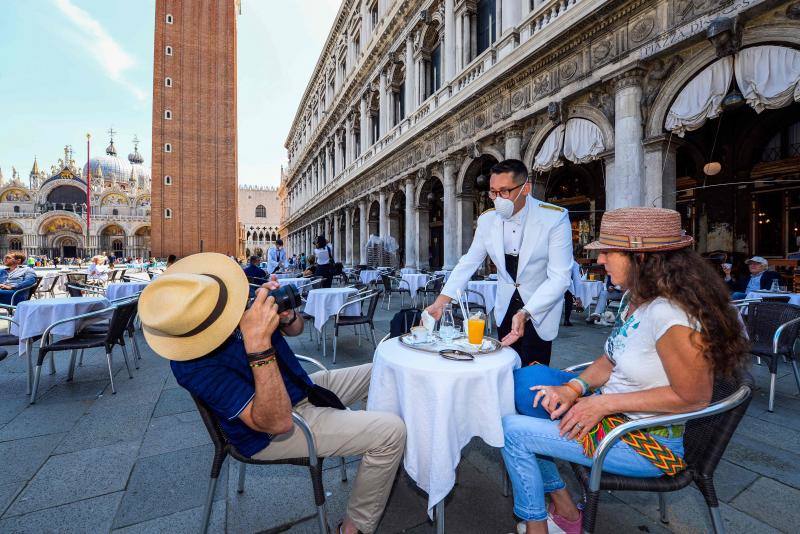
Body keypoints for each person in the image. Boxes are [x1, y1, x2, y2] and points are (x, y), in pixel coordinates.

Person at [502, 207, 749, 534]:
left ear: (641, 257)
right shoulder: (637, 298)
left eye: (607, 251)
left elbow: (694, 397)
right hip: (615, 418)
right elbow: (610, 358)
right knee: (524, 387)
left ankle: (540, 526)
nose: (600, 259)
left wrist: (602, 404)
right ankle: (564, 507)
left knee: (511, 431)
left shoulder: (671, 314)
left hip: (642, 443)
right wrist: (574, 388)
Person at [138, 253, 406, 534]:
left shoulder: (239, 301)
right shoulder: (191, 365)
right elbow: (276, 422)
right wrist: (258, 344)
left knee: (384, 370)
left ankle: (379, 468)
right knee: (391, 433)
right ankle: (353, 527)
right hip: (271, 431)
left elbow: (297, 329)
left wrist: (288, 317)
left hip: (301, 386)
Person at [424, 159, 573, 366]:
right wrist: (442, 301)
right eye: (493, 192)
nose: (497, 199)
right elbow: (469, 262)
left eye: (504, 191)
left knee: (533, 375)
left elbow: (560, 277)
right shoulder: (487, 220)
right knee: (504, 369)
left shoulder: (554, 218)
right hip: (505, 307)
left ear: (525, 189)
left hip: (540, 309)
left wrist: (526, 312)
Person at [563, 260, 582, 327]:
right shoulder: (573, 263)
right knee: (568, 300)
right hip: (566, 283)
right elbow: (577, 280)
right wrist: (578, 296)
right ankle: (566, 320)